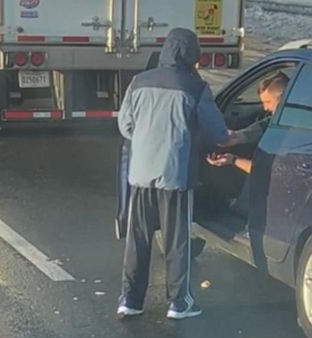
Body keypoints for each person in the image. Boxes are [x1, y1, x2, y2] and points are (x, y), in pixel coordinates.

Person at [117, 28, 232, 320]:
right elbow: (217, 132)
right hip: (176, 174)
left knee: (137, 240)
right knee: (176, 241)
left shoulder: (138, 82)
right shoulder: (195, 88)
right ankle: (178, 303)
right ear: (192, 55)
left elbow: (126, 127)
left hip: (140, 173)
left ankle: (130, 300)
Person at [207, 71, 290, 173]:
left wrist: (234, 160)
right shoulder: (285, 118)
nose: (265, 108)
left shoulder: (293, 128)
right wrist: (237, 137)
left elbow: (267, 172)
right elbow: (266, 125)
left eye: (268, 102)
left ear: (285, 99)